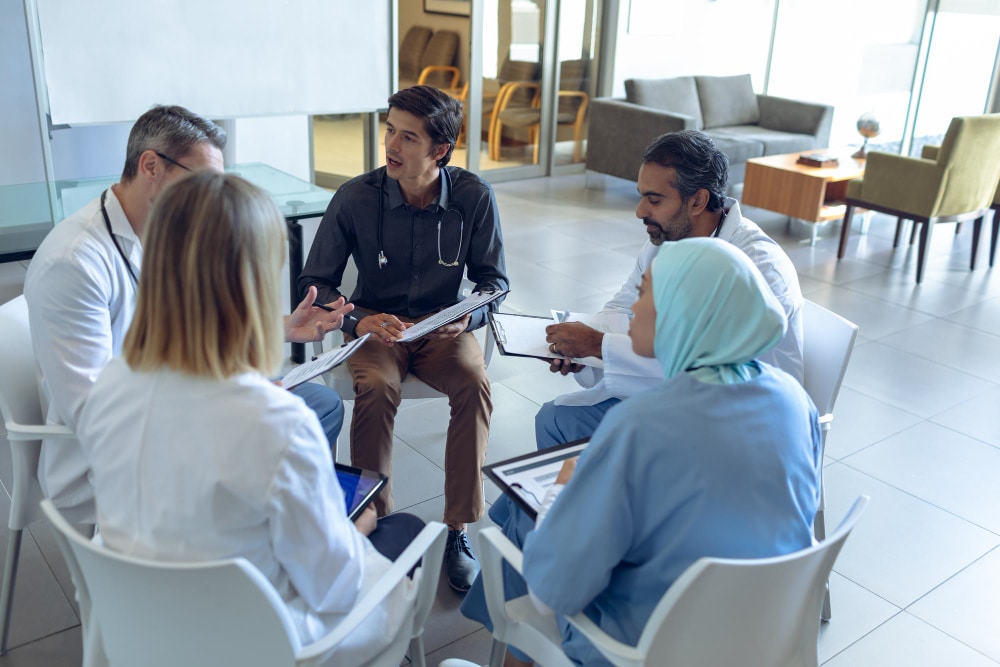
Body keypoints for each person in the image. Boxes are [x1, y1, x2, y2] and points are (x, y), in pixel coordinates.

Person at [76, 172, 425, 666]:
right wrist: (359, 528)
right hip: (260, 644)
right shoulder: (276, 425)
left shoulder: (110, 385)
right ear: (254, 284)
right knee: (403, 529)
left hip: (146, 629)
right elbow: (334, 588)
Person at [24, 105, 349, 521]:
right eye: (202, 184)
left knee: (317, 402)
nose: (211, 202)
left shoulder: (165, 231)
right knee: (290, 427)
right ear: (151, 166)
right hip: (114, 459)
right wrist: (220, 412)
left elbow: (196, 330)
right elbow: (93, 414)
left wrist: (279, 329)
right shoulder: (74, 263)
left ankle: (266, 524)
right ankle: (263, 529)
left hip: (173, 403)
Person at [520, 239, 821, 666]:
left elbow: (553, 590)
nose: (634, 311)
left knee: (519, 522)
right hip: (763, 632)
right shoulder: (795, 400)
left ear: (682, 311)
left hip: (646, 647)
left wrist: (563, 488)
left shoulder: (640, 425)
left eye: (645, 294)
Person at [299, 85, 509, 592]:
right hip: (377, 327)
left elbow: (494, 283)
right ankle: (376, 524)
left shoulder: (473, 197)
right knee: (377, 388)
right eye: (390, 130)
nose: (391, 144)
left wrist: (469, 318)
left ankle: (457, 528)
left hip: (443, 326)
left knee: (473, 384)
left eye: (408, 137)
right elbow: (315, 284)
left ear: (439, 150)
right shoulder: (356, 197)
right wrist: (355, 322)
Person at [537, 129, 804, 450]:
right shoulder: (669, 238)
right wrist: (585, 351)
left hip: (728, 425)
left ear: (698, 200)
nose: (640, 211)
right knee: (554, 419)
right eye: (641, 196)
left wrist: (599, 345)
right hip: (670, 398)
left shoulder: (756, 266)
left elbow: (704, 368)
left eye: (654, 199)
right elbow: (622, 307)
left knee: (579, 455)